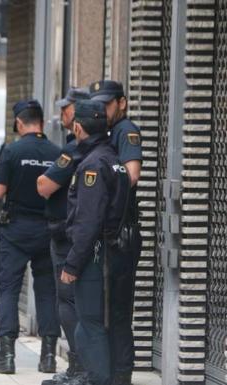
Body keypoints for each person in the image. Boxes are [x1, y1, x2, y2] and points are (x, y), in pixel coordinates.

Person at [60, 100, 134, 385]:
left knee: (89, 323)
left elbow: (88, 220)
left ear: (78, 127)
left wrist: (73, 263)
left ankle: (98, 378)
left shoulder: (92, 165)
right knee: (110, 320)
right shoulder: (114, 159)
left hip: (95, 254)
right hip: (114, 251)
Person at [0, 100, 61, 375]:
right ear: (41, 122)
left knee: (8, 289)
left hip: (16, 230)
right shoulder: (57, 153)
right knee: (46, 291)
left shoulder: (12, 150)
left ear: (19, 123)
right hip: (47, 230)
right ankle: (49, 357)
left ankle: (6, 358)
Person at [89, 80, 142, 385]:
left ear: (121, 103)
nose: (102, 110)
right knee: (107, 306)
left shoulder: (126, 130)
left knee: (119, 308)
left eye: (107, 104)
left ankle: (121, 374)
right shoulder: (109, 132)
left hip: (122, 231)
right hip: (112, 229)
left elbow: (132, 175)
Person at [36, 87, 89, 385]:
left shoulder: (74, 150)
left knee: (68, 301)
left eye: (66, 109)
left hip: (67, 235)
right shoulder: (99, 148)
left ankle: (78, 367)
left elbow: (44, 186)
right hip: (84, 234)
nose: (61, 114)